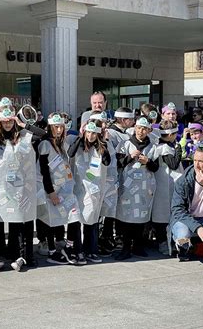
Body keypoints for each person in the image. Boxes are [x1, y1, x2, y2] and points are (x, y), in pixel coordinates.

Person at [0, 104, 45, 271]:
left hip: (19, 188)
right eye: (5, 121)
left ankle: (16, 253)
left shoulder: (23, 135)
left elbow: (43, 134)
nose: (8, 124)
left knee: (17, 221)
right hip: (0, 187)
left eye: (10, 121)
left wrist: (23, 124)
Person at [37, 113, 80, 265]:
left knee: (75, 218)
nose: (59, 130)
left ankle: (69, 247)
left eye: (61, 126)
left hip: (66, 191)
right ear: (50, 127)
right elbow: (44, 171)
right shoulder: (45, 145)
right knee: (51, 221)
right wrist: (51, 192)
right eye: (56, 127)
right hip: (52, 191)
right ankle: (52, 251)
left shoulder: (62, 145)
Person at [115, 116, 159, 260]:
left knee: (141, 217)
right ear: (135, 128)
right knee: (126, 217)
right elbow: (118, 163)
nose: (141, 131)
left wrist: (148, 161)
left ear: (148, 130)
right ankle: (125, 248)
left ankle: (138, 247)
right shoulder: (125, 144)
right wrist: (129, 157)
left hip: (144, 188)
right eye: (139, 128)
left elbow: (156, 167)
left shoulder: (153, 147)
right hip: (128, 187)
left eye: (144, 129)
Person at [68, 119, 110, 263]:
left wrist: (104, 142)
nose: (91, 136)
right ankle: (76, 250)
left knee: (90, 220)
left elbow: (106, 162)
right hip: (77, 187)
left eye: (94, 133)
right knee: (76, 220)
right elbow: (70, 153)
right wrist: (80, 136)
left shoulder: (100, 147)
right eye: (89, 132)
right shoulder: (78, 143)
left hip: (93, 189)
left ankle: (90, 250)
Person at [99, 107, 135, 255]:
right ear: (121, 119)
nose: (133, 122)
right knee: (106, 212)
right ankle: (104, 240)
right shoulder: (112, 134)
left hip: (120, 178)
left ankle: (113, 238)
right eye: (130, 119)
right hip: (110, 178)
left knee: (115, 211)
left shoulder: (125, 133)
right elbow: (113, 158)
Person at [151, 120, 183, 255]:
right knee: (162, 215)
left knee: (166, 214)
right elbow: (173, 164)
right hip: (163, 186)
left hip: (167, 185)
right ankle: (162, 242)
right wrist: (179, 150)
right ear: (170, 135)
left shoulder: (163, 145)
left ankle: (169, 241)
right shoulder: (163, 148)